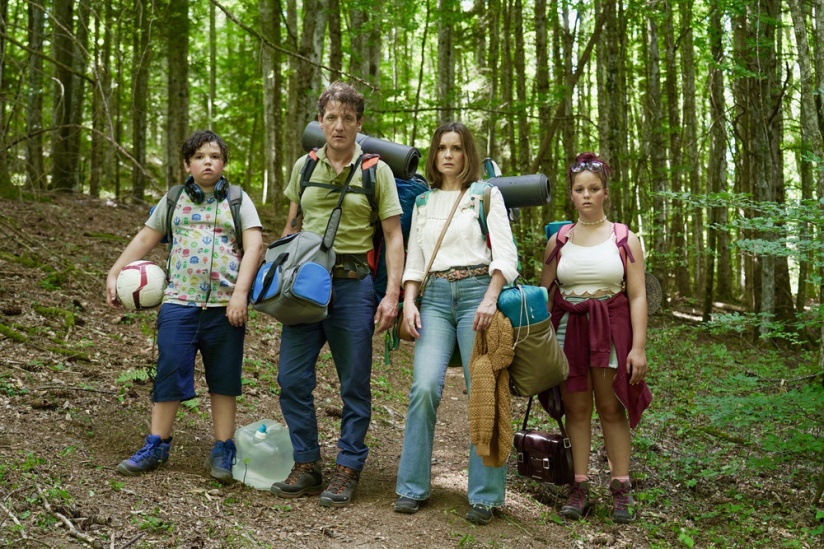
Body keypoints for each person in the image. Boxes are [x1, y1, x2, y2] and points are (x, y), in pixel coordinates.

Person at [270, 81, 404, 508]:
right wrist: (272, 278)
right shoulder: (303, 167)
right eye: (331, 117)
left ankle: (348, 465)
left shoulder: (376, 171)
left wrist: (392, 295)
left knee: (354, 384)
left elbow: (393, 237)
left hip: (352, 286)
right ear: (320, 121)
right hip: (304, 289)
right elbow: (291, 228)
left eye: (348, 118)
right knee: (291, 379)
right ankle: (308, 463)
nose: (339, 125)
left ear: (359, 124)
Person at [106, 130, 263, 483]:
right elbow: (147, 236)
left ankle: (223, 449)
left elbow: (253, 246)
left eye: (214, 156)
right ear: (187, 163)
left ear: (223, 164)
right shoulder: (174, 199)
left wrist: (240, 294)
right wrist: (116, 270)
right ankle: (157, 445)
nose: (207, 161)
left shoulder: (238, 200)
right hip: (178, 303)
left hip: (226, 306)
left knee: (224, 379)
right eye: (199, 156)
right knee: (169, 371)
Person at [392, 122, 519, 525]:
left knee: (482, 387)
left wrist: (489, 298)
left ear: (468, 155)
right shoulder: (423, 202)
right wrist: (408, 302)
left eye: (457, 148)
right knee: (424, 386)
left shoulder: (486, 195)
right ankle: (411, 487)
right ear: (434, 155)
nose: (448, 155)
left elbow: (506, 255)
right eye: (442, 148)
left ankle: (484, 495)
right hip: (433, 298)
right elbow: (414, 260)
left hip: (476, 295)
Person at [540, 152, 652, 524]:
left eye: (594, 188)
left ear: (605, 192)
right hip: (567, 330)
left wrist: (638, 348)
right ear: (571, 195)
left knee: (610, 407)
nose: (586, 195)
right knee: (576, 409)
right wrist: (537, 345)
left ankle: (621, 489)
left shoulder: (624, 238)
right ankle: (579, 487)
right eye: (579, 189)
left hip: (611, 329)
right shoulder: (559, 240)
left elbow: (637, 295)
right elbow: (547, 295)